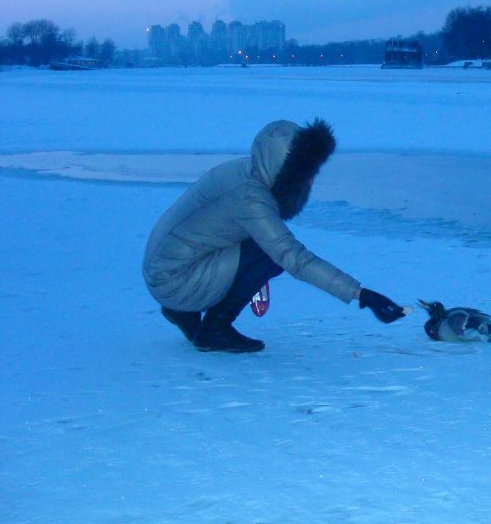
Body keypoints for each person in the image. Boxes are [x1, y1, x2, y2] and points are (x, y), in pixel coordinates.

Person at [142, 118, 406, 353]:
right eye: (305, 173)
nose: (311, 181)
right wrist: (362, 295)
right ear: (286, 170)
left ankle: (183, 312)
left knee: (260, 245)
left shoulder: (246, 170)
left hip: (165, 266)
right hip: (174, 279)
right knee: (269, 255)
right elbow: (296, 259)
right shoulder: (251, 199)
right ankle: (214, 330)